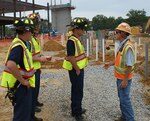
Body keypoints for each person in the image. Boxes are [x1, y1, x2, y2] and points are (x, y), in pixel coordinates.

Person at [1, 17, 35, 121]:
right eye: (32, 31)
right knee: (21, 116)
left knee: (24, 113)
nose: (32, 34)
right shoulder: (19, 46)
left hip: (21, 86)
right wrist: (23, 81)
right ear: (26, 31)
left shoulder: (22, 44)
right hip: (20, 87)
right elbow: (11, 64)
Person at [103, 22, 135, 121]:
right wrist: (110, 64)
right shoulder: (122, 44)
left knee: (125, 99)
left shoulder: (127, 47)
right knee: (121, 98)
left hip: (124, 78)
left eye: (117, 32)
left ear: (123, 33)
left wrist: (125, 80)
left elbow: (129, 66)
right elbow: (119, 60)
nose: (115, 33)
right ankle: (124, 117)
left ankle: (130, 119)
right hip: (120, 77)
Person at [63, 17, 88, 121]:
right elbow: (71, 57)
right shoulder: (71, 41)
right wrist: (77, 69)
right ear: (76, 29)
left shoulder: (76, 40)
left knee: (78, 90)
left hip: (78, 69)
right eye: (82, 28)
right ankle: (76, 113)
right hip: (75, 70)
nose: (83, 30)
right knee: (77, 91)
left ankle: (77, 108)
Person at [27, 13, 51, 120]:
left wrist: (41, 59)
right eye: (36, 24)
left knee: (35, 90)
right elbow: (28, 56)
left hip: (36, 68)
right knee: (32, 91)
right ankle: (32, 110)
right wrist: (41, 59)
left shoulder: (33, 38)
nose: (38, 27)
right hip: (31, 69)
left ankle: (34, 104)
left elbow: (35, 53)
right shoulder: (29, 40)